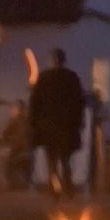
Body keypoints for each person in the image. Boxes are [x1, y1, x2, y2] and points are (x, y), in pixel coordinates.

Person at [30, 47, 88, 197]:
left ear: (53, 60)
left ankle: (54, 191)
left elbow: (35, 103)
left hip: (48, 127)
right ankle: (68, 190)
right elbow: (79, 102)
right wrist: (79, 123)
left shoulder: (44, 78)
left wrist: (33, 124)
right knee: (65, 160)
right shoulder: (72, 78)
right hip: (67, 127)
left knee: (52, 162)